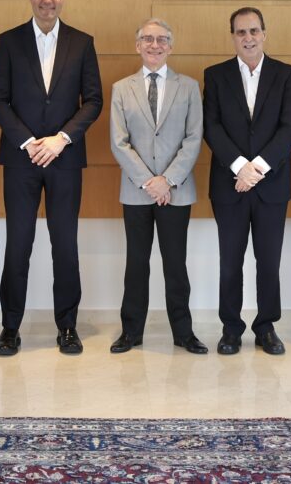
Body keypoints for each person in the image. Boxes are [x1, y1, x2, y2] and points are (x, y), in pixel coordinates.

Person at [0, 0, 103, 356]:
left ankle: (67, 326)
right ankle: (9, 327)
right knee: (18, 245)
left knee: (64, 246)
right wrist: (28, 141)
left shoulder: (82, 42)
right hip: (21, 160)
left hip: (65, 159)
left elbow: (94, 101)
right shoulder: (9, 41)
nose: (47, 0)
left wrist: (61, 139)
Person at [203, 7, 291, 356]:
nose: (248, 38)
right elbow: (211, 126)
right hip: (229, 186)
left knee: (268, 261)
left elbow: (289, 129)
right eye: (241, 32)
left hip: (271, 186)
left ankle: (266, 327)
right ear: (232, 36)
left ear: (264, 34)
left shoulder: (286, 74)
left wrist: (256, 168)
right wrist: (239, 167)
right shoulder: (215, 75)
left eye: (254, 31)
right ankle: (231, 328)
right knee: (230, 261)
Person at [109, 18, 207, 355]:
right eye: (148, 39)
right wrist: (149, 182)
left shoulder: (189, 87)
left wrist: (168, 180)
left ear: (171, 45)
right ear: (137, 46)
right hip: (136, 191)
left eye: (162, 39)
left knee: (175, 264)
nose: (155, 45)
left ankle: (183, 332)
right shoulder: (122, 88)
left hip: (176, 191)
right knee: (136, 264)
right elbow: (118, 142)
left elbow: (194, 138)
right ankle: (131, 332)